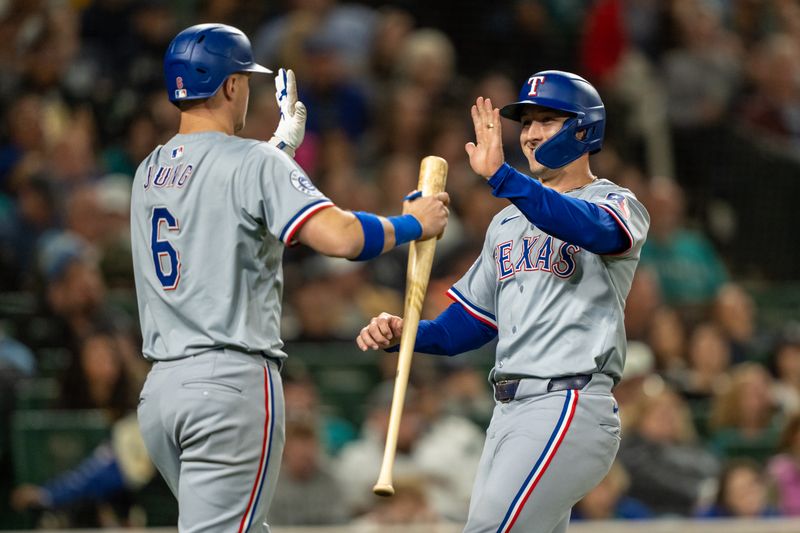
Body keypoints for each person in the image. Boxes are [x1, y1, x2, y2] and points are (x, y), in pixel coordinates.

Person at [131, 23, 449, 533]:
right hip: (229, 384)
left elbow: (215, 201)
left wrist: (277, 150)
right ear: (230, 86)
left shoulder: (148, 170)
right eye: (244, 79)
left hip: (162, 395)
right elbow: (342, 238)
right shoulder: (253, 162)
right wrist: (415, 224)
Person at [357, 70, 650, 533]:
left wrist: (502, 177)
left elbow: (590, 229)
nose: (530, 135)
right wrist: (406, 334)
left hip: (568, 402)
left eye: (546, 121)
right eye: (526, 123)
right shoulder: (507, 223)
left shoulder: (616, 201)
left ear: (584, 128)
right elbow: (467, 326)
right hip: (508, 411)